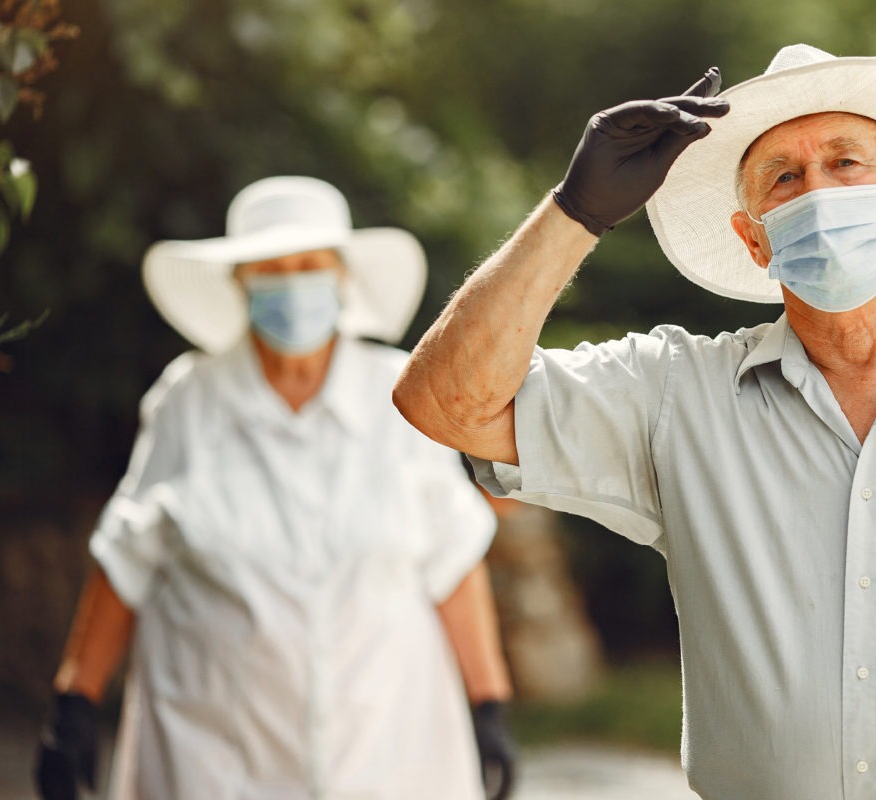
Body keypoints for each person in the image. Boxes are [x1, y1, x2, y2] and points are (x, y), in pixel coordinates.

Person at [391, 44, 876, 799]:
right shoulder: (677, 395)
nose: (817, 191)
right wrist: (576, 214)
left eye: (847, 162)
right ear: (753, 240)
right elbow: (443, 402)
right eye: (782, 178)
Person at [35, 176, 518, 800]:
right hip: (215, 752)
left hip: (388, 748)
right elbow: (127, 557)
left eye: (309, 266)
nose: (292, 284)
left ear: (342, 277)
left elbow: (451, 561)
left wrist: (489, 706)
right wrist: (75, 701)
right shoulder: (190, 400)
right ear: (240, 283)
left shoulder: (401, 394)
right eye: (272, 270)